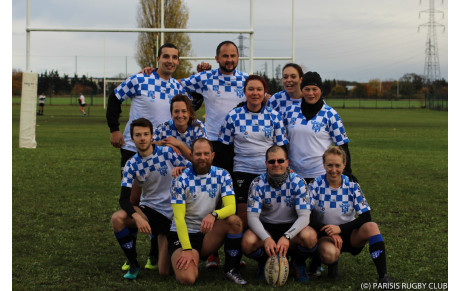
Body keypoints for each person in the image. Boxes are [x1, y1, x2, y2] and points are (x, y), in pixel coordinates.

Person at [106, 43, 189, 271]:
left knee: (159, 200)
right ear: (158, 58)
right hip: (134, 149)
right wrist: (114, 128)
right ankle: (130, 255)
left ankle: (154, 253)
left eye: (174, 57)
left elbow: (192, 105)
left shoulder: (178, 86)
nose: (169, 61)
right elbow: (114, 98)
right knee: (132, 202)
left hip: (162, 153)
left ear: (178, 61)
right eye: (166, 57)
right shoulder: (140, 79)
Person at [180, 40, 249, 269]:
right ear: (217, 58)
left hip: (237, 146)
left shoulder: (246, 81)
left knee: (234, 200)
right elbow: (175, 85)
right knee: (209, 198)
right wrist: (151, 73)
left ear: (238, 58)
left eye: (233, 55)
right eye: (225, 56)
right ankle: (212, 254)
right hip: (212, 146)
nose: (229, 59)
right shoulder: (205, 78)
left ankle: (233, 253)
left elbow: (265, 99)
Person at [110, 118, 191, 280]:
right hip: (150, 211)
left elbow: (192, 167)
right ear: (132, 139)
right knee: (118, 218)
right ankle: (133, 263)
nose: (142, 138)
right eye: (138, 135)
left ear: (152, 136)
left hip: (174, 214)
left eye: (146, 134)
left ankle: (163, 245)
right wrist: (137, 218)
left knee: (164, 271)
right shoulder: (131, 164)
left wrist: (183, 167)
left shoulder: (167, 152)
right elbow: (124, 200)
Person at [168, 138, 247, 285]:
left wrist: (214, 215)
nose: (202, 157)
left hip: (206, 234)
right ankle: (179, 257)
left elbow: (231, 208)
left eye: (206, 154)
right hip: (183, 234)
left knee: (234, 221)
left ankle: (230, 269)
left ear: (212, 156)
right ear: (191, 156)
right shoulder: (180, 179)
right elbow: (178, 219)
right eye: (198, 154)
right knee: (187, 278)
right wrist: (186, 249)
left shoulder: (223, 175)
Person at [308, 146, 391, 283]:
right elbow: (308, 217)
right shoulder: (315, 185)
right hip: (326, 235)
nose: (333, 170)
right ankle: (326, 261)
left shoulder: (352, 184)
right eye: (329, 165)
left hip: (350, 234)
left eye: (337, 165)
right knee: (330, 254)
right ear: (323, 165)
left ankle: (383, 277)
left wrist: (340, 228)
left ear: (344, 165)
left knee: (372, 226)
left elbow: (366, 216)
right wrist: (330, 231)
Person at [217, 75, 288, 229]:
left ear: (265, 93)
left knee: (268, 217)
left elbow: (282, 149)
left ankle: (265, 249)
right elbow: (225, 150)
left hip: (268, 172)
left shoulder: (274, 116)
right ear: (245, 91)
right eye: (251, 89)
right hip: (242, 171)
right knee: (243, 219)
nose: (255, 93)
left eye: (259, 89)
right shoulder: (233, 116)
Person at [242, 145, 317, 283]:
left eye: (280, 161)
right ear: (266, 163)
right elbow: (252, 218)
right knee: (248, 242)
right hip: (267, 228)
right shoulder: (257, 183)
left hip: (291, 228)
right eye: (272, 161)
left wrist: (287, 236)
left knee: (310, 237)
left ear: (287, 162)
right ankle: (265, 261)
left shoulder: (298, 182)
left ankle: (298, 263)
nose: (276, 164)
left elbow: (305, 217)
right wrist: (266, 238)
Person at [282, 71, 355, 184]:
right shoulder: (289, 112)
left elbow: (342, 145)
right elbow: (282, 142)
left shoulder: (330, 113)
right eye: (307, 89)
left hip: (321, 174)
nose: (311, 93)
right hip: (293, 175)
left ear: (321, 90)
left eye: (314, 89)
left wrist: (347, 172)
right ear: (301, 90)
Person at [152, 94, 207, 161]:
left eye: (184, 111)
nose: (180, 115)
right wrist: (164, 144)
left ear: (189, 113)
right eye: (176, 111)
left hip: (193, 169)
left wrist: (179, 144)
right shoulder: (164, 127)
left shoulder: (198, 127)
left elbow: (201, 159)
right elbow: (147, 147)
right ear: (171, 113)